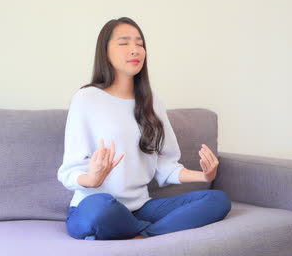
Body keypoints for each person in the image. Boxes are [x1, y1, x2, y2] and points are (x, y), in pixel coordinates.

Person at [58, 17, 231, 241]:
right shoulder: (86, 98)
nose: (135, 50)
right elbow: (69, 170)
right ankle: (143, 230)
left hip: (142, 208)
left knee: (217, 200)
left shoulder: (153, 102)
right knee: (100, 210)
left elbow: (165, 166)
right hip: (94, 205)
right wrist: (93, 179)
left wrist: (204, 175)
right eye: (124, 43)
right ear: (105, 51)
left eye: (140, 44)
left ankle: (142, 235)